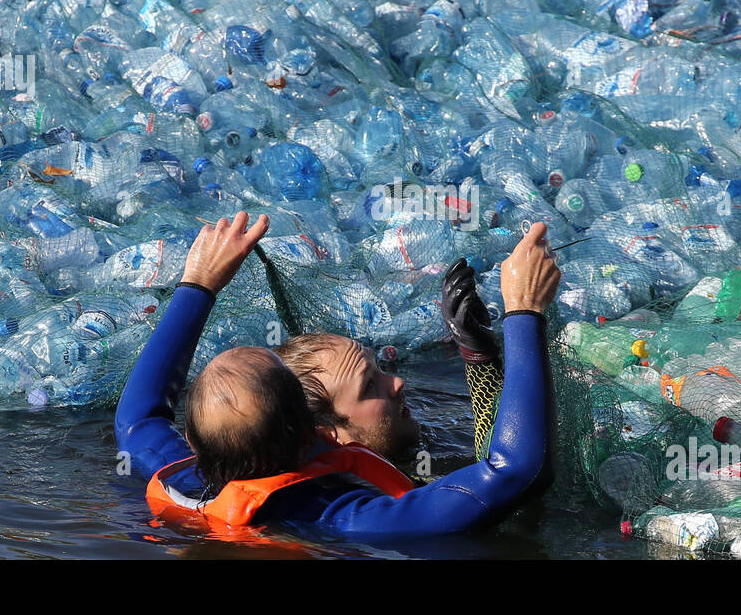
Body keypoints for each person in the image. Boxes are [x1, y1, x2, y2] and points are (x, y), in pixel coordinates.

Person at [114, 210, 561, 537]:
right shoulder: (348, 519)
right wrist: (523, 312)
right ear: (320, 433)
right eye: (370, 386)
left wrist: (199, 284)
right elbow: (516, 469)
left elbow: (139, 420)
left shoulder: (183, 477)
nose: (398, 381)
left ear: (193, 443)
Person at [276, 257, 506, 464]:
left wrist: (476, 346)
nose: (397, 382)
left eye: (378, 369)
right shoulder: (381, 502)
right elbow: (505, 469)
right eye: (369, 386)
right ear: (327, 434)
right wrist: (481, 359)